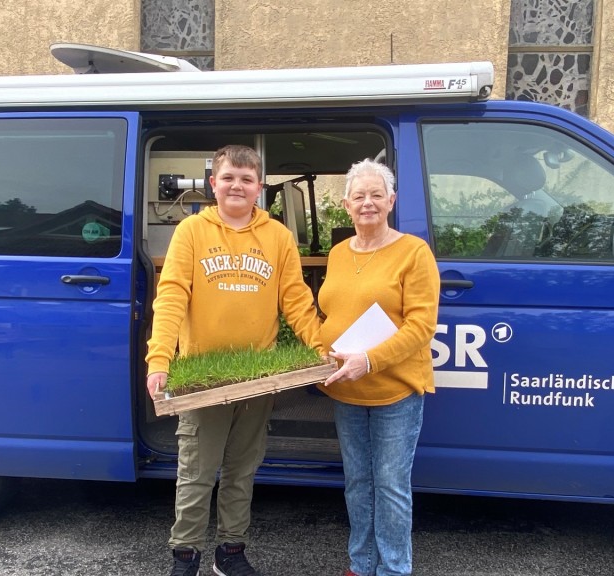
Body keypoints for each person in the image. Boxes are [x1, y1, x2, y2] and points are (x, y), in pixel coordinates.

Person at [145, 144, 322, 576]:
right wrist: (159, 358)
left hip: (257, 378)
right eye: (228, 178)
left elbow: (296, 300)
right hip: (204, 381)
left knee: (242, 470)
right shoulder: (191, 231)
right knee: (197, 473)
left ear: (259, 187)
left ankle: (230, 551)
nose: (237, 186)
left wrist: (322, 349)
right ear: (213, 184)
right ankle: (185, 554)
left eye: (246, 179)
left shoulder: (277, 235)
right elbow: (171, 297)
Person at [318, 158, 440, 576]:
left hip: (395, 391)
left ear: (391, 200)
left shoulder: (413, 252)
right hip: (346, 392)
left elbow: (422, 326)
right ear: (346, 205)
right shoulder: (336, 254)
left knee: (390, 487)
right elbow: (329, 315)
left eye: (376, 194)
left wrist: (369, 360)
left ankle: (392, 569)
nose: (367, 203)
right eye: (358, 196)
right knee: (358, 484)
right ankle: (361, 564)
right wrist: (320, 351)